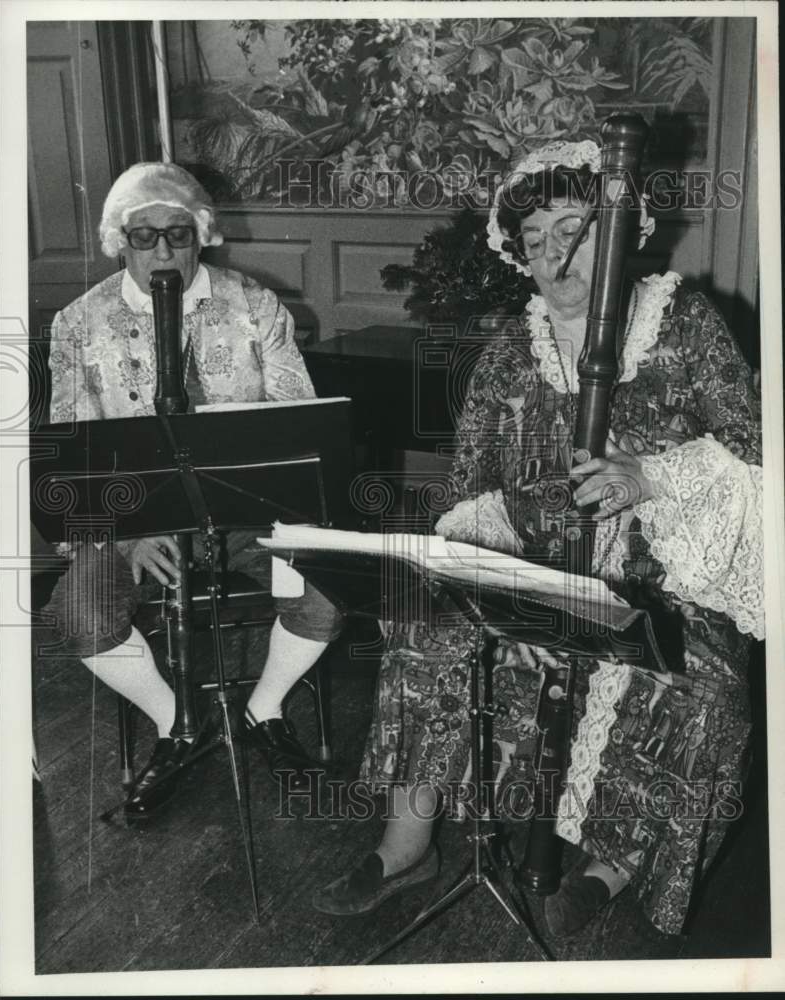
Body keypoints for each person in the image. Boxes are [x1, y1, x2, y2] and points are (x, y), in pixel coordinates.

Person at [311, 140, 763, 942]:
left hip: (671, 577)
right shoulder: (507, 350)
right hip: (531, 570)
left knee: (705, 685)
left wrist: (651, 476)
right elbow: (465, 497)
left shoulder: (686, 324)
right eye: (534, 241)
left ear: (621, 233)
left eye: (573, 229)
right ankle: (403, 845)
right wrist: (510, 601)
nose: (554, 257)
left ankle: (608, 867)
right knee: (427, 633)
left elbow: (759, 455)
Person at [43, 162, 343, 821]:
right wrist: (127, 531)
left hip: (248, 517)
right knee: (80, 616)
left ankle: (263, 712)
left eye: (175, 233)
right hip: (132, 527)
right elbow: (69, 454)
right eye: (141, 236)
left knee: (324, 595)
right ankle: (178, 722)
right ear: (118, 239)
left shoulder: (256, 306)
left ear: (202, 234)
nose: (160, 251)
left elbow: (298, 428)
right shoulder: (77, 323)